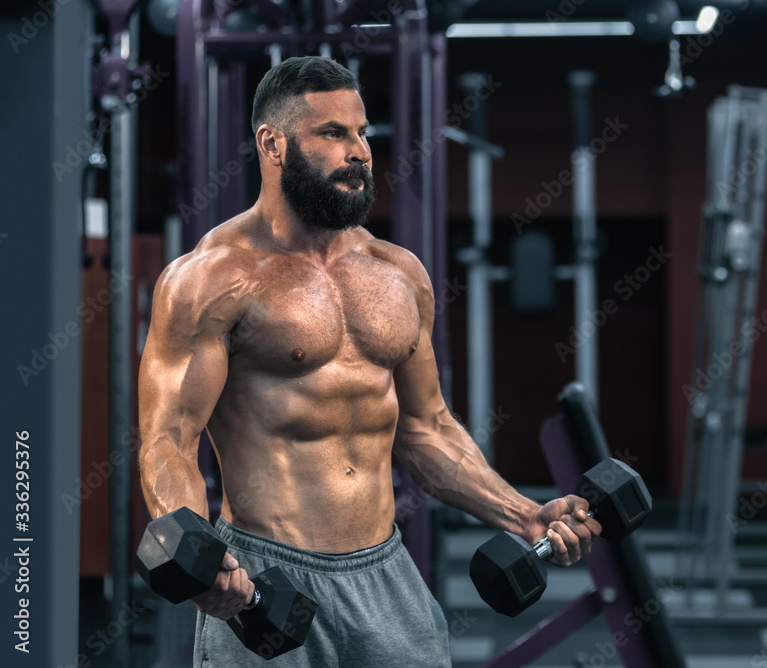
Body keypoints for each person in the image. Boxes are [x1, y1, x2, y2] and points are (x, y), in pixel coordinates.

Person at [137, 56, 601, 667]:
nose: (359, 151)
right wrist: (199, 559)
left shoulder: (398, 273)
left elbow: (426, 428)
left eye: (363, 133)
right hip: (262, 576)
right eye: (333, 134)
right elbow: (168, 437)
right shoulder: (211, 278)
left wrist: (523, 514)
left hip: (385, 571)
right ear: (272, 145)